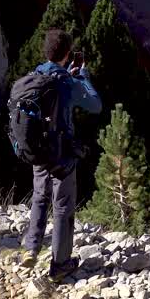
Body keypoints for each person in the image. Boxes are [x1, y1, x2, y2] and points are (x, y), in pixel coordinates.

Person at [22, 29, 101, 280]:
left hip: (38, 149)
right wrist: (84, 77)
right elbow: (95, 105)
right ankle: (60, 265)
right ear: (68, 54)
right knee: (63, 206)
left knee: (39, 196)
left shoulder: (34, 75)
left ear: (45, 51)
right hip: (62, 153)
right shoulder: (68, 82)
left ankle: (31, 248)